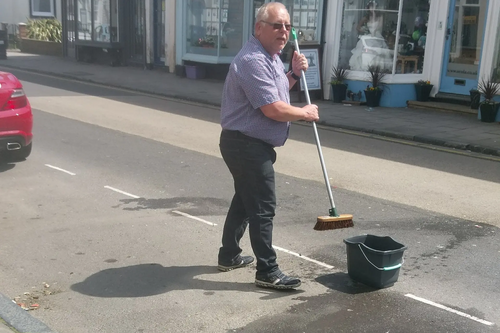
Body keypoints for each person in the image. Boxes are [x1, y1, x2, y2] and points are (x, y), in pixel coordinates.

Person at [217, 2, 319, 290]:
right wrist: (305, 112)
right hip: (245, 144)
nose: (284, 31)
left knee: (245, 201)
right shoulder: (252, 60)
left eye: (287, 26)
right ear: (259, 28)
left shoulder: (271, 56)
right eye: (277, 25)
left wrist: (295, 74)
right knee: (262, 205)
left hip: (248, 144)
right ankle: (268, 271)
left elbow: (277, 90)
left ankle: (229, 255)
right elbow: (273, 109)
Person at [349, 0, 392, 71]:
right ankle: (365, 66)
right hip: (368, 36)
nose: (372, 8)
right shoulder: (366, 18)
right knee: (362, 50)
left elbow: (380, 27)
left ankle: (375, 68)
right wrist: (364, 30)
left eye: (374, 7)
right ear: (368, 8)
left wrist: (374, 31)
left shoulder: (380, 17)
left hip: (377, 36)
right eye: (371, 7)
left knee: (378, 52)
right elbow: (358, 27)